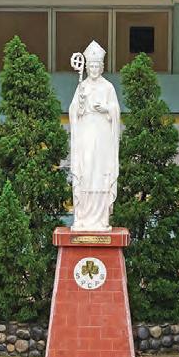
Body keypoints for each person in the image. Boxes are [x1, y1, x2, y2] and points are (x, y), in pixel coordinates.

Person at [69, 40, 120, 231]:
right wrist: (80, 104)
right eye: (91, 66)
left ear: (102, 67)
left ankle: (101, 218)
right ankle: (82, 216)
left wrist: (106, 109)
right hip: (86, 135)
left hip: (103, 135)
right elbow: (74, 111)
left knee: (101, 172)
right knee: (86, 171)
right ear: (87, 67)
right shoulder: (81, 87)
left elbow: (116, 111)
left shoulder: (108, 87)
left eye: (97, 66)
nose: (94, 69)